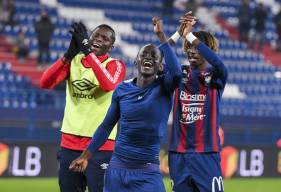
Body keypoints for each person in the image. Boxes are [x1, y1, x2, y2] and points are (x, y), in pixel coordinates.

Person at [69, 17, 184, 192]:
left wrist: (162, 36)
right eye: (143, 55)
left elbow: (176, 73)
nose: (148, 57)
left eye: (153, 57)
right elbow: (107, 125)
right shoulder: (122, 90)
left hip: (147, 172)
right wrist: (86, 155)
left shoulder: (164, 87)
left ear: (160, 66)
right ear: (136, 62)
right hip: (117, 170)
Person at [40, 22, 126, 192]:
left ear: (111, 46)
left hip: (101, 147)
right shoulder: (74, 62)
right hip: (69, 145)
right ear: (89, 38)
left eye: (105, 38)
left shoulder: (116, 65)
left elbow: (108, 84)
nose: (99, 40)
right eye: (96, 36)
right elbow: (45, 83)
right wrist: (67, 55)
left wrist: (87, 52)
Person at [168, 13, 228, 192]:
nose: (192, 51)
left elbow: (220, 65)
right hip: (178, 154)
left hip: (206, 154)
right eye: (189, 47)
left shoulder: (216, 77)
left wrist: (191, 36)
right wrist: (179, 34)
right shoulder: (179, 74)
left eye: (196, 47)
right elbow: (156, 55)